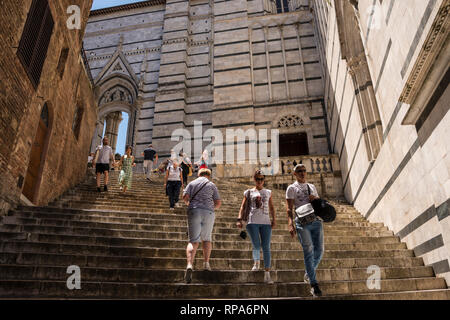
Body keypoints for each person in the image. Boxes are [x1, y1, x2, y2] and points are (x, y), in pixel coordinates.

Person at [286, 164, 323, 297]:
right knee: (308, 250)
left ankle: (308, 273)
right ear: (294, 174)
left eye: (304, 171)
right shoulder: (291, 188)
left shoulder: (312, 187)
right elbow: (289, 208)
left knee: (319, 250)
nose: (302, 173)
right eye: (299, 171)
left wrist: (316, 199)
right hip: (302, 223)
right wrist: (290, 224)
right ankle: (314, 284)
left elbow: (319, 205)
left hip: (316, 221)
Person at [237, 169, 276, 284]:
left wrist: (274, 219)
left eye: (261, 179)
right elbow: (242, 207)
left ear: (264, 180)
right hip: (251, 221)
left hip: (266, 222)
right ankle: (256, 262)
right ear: (254, 179)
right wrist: (239, 219)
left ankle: (267, 273)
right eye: (257, 179)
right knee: (256, 244)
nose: (259, 181)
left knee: (266, 247)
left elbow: (272, 207)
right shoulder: (248, 192)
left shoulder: (268, 192)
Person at [182, 168, 221, 283]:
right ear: (208, 175)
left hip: (194, 210)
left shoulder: (192, 183)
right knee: (207, 239)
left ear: (198, 174)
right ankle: (206, 263)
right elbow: (218, 202)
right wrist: (210, 208)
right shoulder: (212, 185)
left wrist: (190, 204)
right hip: (208, 212)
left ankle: (189, 265)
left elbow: (185, 197)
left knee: (193, 241)